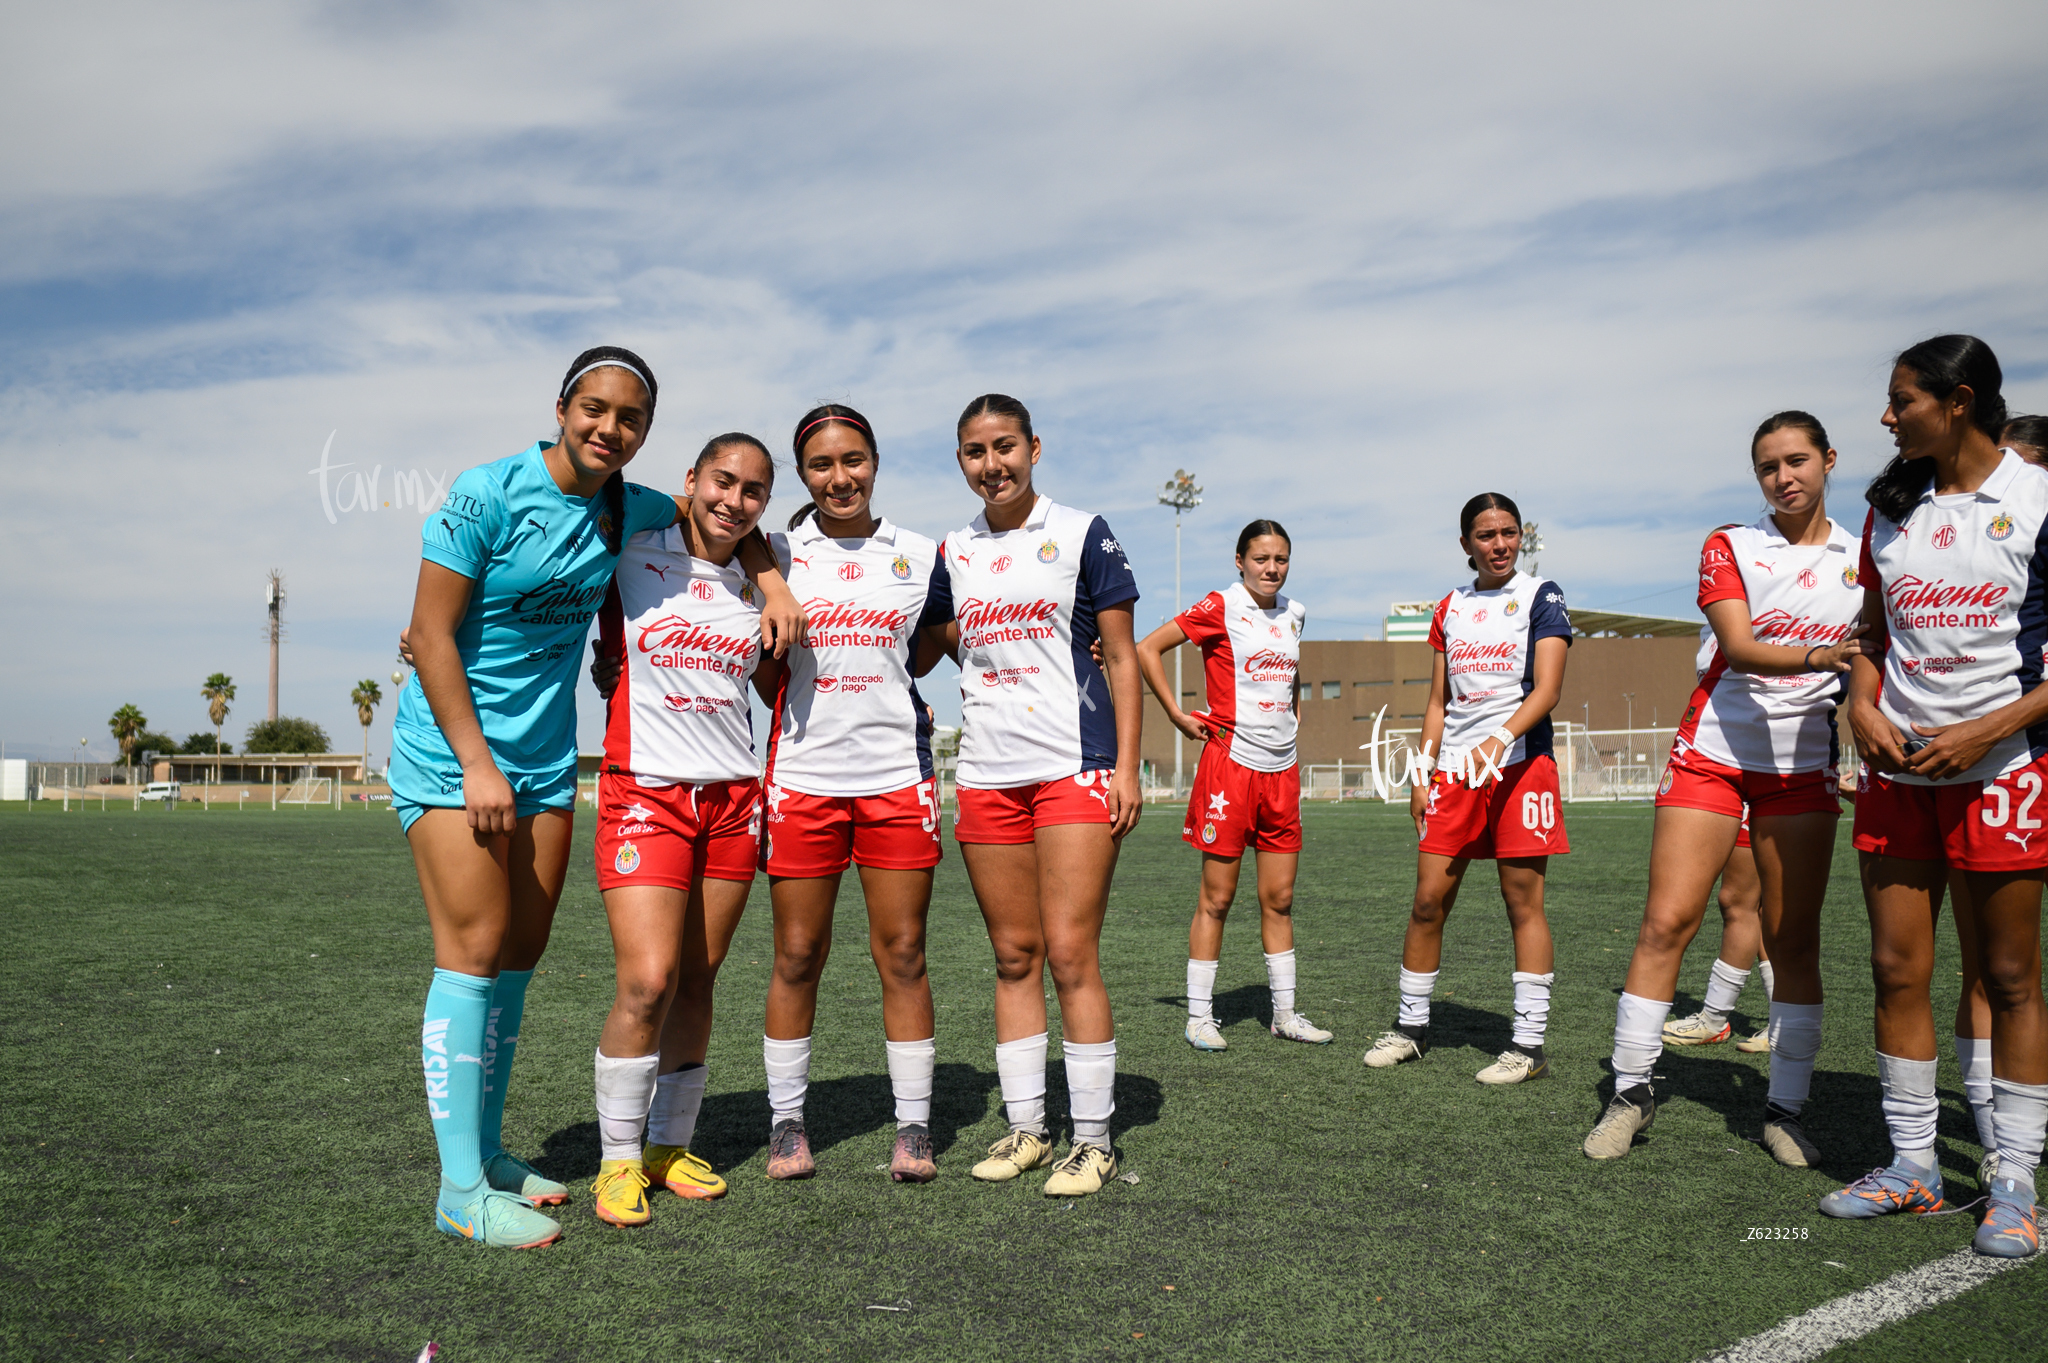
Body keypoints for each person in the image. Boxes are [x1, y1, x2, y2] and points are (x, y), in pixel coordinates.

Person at [392, 348, 797, 1249]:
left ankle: (491, 1155)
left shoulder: (633, 504)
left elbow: (725, 519)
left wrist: (770, 580)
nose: (609, 428)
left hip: (543, 763)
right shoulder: (485, 493)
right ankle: (459, 1188)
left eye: (630, 419)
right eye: (594, 409)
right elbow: (427, 631)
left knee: (519, 956)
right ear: (563, 407)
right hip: (456, 756)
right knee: (471, 950)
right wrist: (475, 763)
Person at [1583, 413, 1864, 1165]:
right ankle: (1631, 1093)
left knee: (1793, 935)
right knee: (1666, 921)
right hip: (1713, 752)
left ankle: (1784, 1109)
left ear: (1830, 460)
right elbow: (1737, 647)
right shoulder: (1729, 543)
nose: (1784, 476)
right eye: (1769, 466)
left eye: (1798, 460)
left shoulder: (1866, 555)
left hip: (1802, 766)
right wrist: (1824, 653)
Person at [1830, 335, 2047, 1259]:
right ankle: (1915, 1166)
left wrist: (1987, 729)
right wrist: (1860, 703)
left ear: (1958, 402)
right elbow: (1870, 635)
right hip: (1897, 772)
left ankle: (2013, 1181)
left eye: (1901, 400)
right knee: (1894, 969)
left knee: (2008, 978)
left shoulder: (2039, 496)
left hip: (2003, 769)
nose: (1886, 418)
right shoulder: (1892, 507)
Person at [922, 393, 1143, 1198]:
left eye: (1005, 446)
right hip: (985, 772)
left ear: (1035, 447)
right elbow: (933, 640)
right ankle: (1027, 1128)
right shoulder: (953, 550)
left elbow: (1121, 658)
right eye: (976, 452)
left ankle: (1094, 1139)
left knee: (1071, 953)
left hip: (1074, 766)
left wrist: (1126, 766)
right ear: (961, 462)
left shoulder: (1083, 531)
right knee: (1013, 956)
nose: (993, 464)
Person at [584, 432, 784, 1229]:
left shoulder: (764, 578)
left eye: (754, 490)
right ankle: (617, 1159)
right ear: (692, 479)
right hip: (647, 792)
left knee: (699, 977)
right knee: (647, 980)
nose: (734, 500)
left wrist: (771, 579)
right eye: (722, 481)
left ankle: (669, 1147)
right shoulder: (634, 545)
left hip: (733, 798)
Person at [755, 404, 950, 1183]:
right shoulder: (771, 550)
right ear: (802, 475)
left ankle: (913, 1127)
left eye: (854, 460)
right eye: (821, 466)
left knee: (902, 952)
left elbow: (934, 647)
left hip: (897, 778)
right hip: (803, 777)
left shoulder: (921, 553)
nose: (840, 478)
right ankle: (786, 1124)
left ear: (876, 462)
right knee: (798, 953)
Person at [1364, 493, 1573, 1086]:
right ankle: (1411, 1028)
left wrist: (1498, 740)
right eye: (1486, 536)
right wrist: (1422, 770)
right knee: (1428, 901)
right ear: (1466, 545)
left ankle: (1528, 1047)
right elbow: (1438, 700)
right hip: (1455, 772)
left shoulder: (1542, 595)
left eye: (1509, 533)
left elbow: (1547, 690)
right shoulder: (1450, 606)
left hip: (1519, 768)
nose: (1500, 544)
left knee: (1522, 904)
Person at [1134, 519, 1331, 1052]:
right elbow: (1148, 648)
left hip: (1281, 770)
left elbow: (1289, 680)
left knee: (1281, 897)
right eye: (1262, 558)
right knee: (1217, 898)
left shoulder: (1296, 614)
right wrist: (1176, 714)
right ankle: (1200, 1016)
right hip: (1230, 767)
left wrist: (1290, 722)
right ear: (1239, 560)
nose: (1272, 568)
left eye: (1281, 559)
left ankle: (1285, 1014)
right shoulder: (1219, 605)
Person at [1661, 816, 1775, 1055]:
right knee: (1759, 907)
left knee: (1740, 902)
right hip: (1779, 793)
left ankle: (1715, 1019)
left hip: (1768, 792)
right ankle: (1785, 1021)